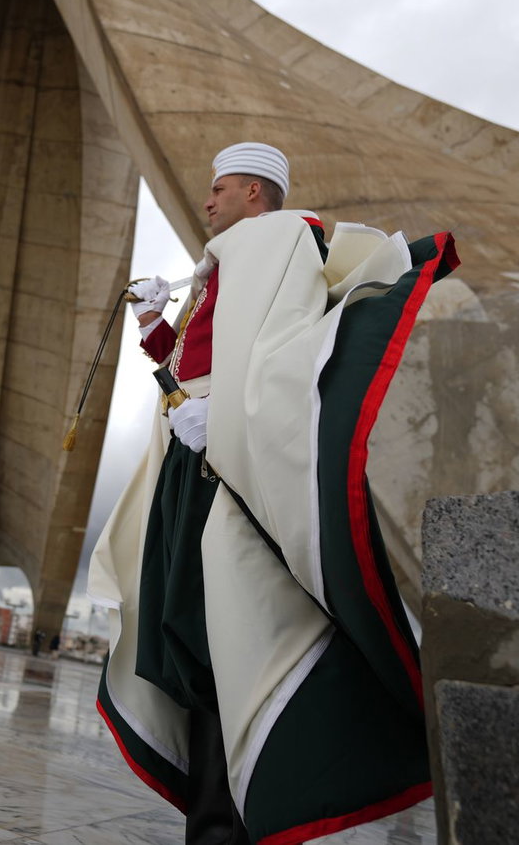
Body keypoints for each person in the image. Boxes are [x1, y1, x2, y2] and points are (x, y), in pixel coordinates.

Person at [92, 143, 456, 844]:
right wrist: (152, 325)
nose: (209, 200)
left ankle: (226, 825)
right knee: (190, 637)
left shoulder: (278, 240)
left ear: (257, 193)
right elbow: (188, 365)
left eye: (220, 188)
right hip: (190, 457)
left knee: (225, 629)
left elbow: (280, 354)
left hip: (222, 463)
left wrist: (224, 416)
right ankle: (212, 824)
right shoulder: (224, 264)